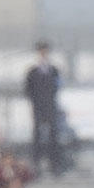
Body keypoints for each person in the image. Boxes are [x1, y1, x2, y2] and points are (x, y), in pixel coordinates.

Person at [24, 40, 64, 176]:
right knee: (37, 136)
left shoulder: (53, 70)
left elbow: (58, 86)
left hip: (51, 106)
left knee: (53, 135)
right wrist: (34, 103)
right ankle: (36, 164)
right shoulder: (32, 71)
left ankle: (55, 165)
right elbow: (27, 89)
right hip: (38, 107)